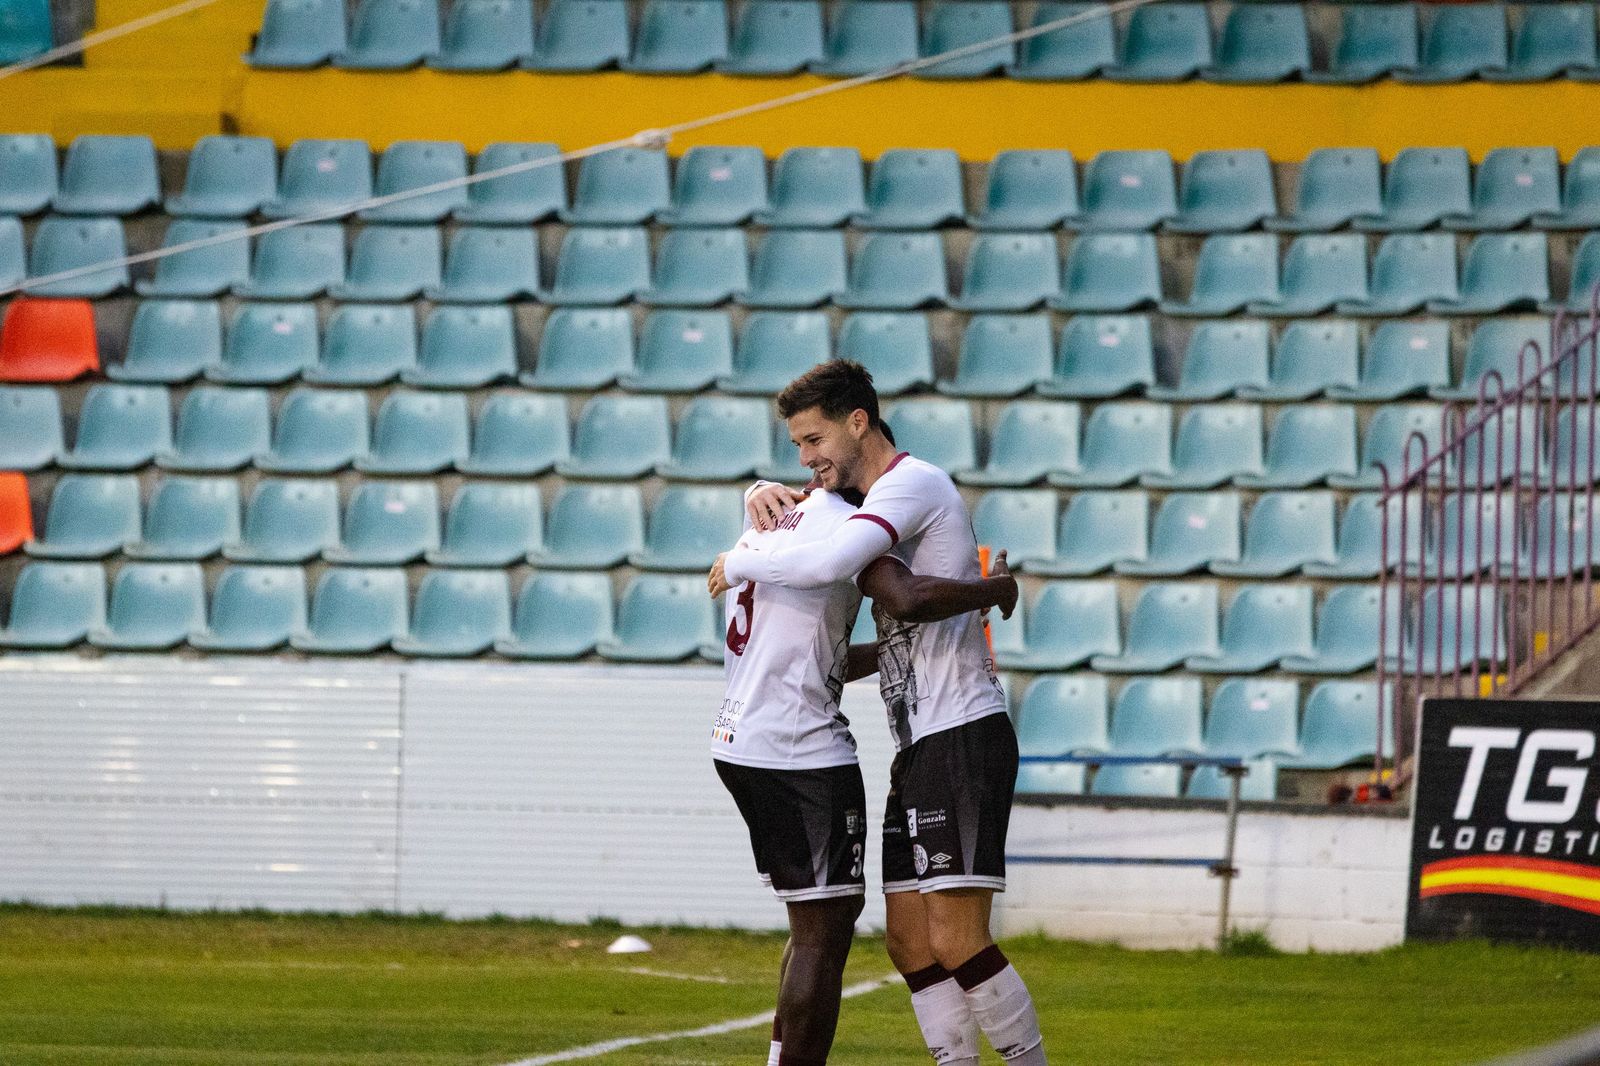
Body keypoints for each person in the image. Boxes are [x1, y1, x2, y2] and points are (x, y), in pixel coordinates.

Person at [710, 360, 1049, 1066]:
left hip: (960, 727)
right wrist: (758, 501)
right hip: (916, 742)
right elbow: (879, 622)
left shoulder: (909, 484)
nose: (804, 460)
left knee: (954, 939)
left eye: (812, 441)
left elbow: (901, 596)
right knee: (907, 941)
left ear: (857, 421)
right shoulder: (859, 503)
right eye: (797, 448)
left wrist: (741, 557)